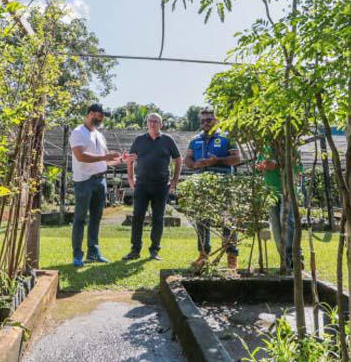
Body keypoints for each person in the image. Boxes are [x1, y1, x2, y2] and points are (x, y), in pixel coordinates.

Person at [69, 104, 133, 267]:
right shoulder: (78, 132)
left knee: (96, 218)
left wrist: (121, 160)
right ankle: (77, 255)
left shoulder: (99, 135)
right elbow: (81, 156)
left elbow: (106, 160)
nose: (102, 118)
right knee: (80, 218)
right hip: (84, 180)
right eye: (100, 115)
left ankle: (93, 253)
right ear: (91, 113)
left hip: (100, 181)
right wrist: (105, 157)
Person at [184, 107, 241, 269]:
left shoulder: (227, 138)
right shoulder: (195, 140)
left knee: (227, 219)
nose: (205, 123)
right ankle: (203, 254)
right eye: (202, 121)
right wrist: (194, 164)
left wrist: (218, 160)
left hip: (224, 184)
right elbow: (187, 159)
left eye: (209, 120)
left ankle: (231, 256)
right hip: (201, 184)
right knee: (201, 220)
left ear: (216, 120)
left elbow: (236, 159)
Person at [123, 113, 183, 261]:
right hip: (142, 185)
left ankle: (154, 250)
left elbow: (178, 159)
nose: (152, 123)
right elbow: (130, 159)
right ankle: (135, 250)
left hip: (161, 185)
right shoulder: (139, 140)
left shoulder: (168, 140)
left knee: (158, 218)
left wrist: (175, 179)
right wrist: (130, 178)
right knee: (138, 217)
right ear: (147, 123)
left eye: (156, 121)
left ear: (161, 124)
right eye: (150, 121)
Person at [256, 140, 302, 270]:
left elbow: (298, 169)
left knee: (286, 221)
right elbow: (258, 167)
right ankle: (284, 260)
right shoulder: (265, 147)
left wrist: (278, 165)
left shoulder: (290, 147)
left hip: (287, 190)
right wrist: (260, 167)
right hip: (270, 191)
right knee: (275, 226)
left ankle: (294, 258)